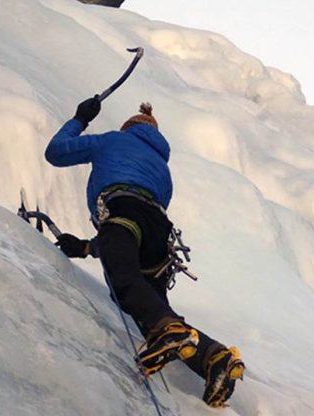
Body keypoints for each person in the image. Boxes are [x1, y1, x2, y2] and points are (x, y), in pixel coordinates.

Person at [44, 97, 245, 408]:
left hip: (121, 209)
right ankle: (214, 357)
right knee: (149, 307)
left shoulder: (114, 140)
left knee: (128, 286)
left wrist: (79, 119)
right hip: (159, 235)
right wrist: (86, 247)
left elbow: (56, 153)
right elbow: (127, 241)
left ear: (128, 128)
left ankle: (171, 331)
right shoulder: (162, 170)